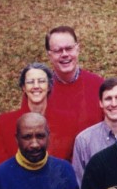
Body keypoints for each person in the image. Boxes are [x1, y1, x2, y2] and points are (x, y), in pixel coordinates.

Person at [44, 25, 104, 156]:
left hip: (91, 169)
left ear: (78, 49)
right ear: (49, 55)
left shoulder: (99, 85)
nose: (65, 54)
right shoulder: (40, 91)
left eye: (69, 48)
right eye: (58, 50)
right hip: (55, 171)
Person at [0, 62, 65, 163]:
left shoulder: (66, 120)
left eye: (41, 81)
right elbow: (0, 165)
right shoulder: (5, 122)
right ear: (23, 87)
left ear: (49, 86)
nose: (36, 86)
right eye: (30, 82)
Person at [72, 77, 117, 186]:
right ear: (100, 103)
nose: (113, 104)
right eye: (108, 98)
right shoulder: (84, 140)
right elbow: (79, 184)